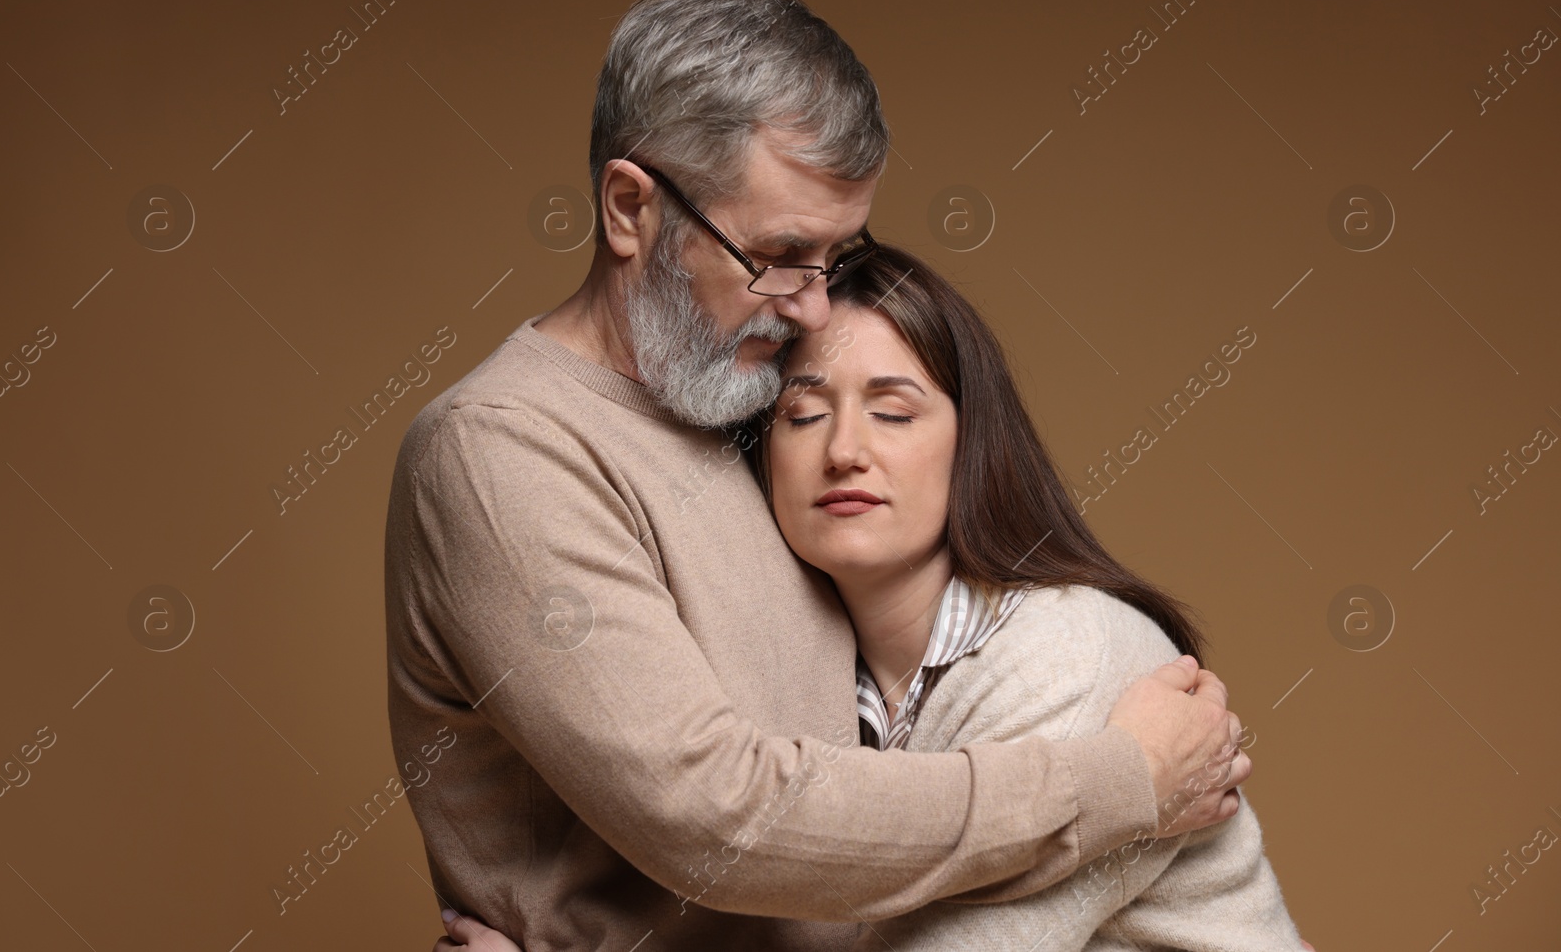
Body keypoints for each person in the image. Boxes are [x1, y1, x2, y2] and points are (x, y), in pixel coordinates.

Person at [387, 0, 1250, 952]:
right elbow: (719, 816)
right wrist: (1118, 781)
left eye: (836, 256)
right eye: (781, 252)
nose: (809, 308)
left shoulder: (742, 395)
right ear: (629, 209)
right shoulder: (502, 451)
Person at [434, 245, 1314, 952]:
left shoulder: (1076, 655)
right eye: (804, 415)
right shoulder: (811, 692)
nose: (846, 449)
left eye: (894, 412)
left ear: (973, 443)